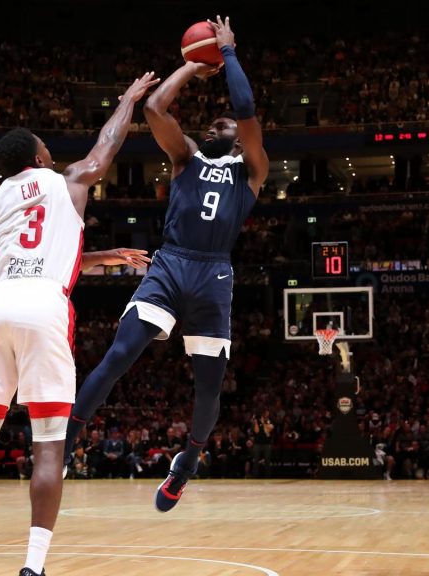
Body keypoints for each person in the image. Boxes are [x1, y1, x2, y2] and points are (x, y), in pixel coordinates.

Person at [0, 73, 159, 576]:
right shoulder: (68, 181)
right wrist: (126, 100)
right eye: (45, 147)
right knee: (48, 445)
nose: (51, 152)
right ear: (37, 158)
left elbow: (30, 251)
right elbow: (106, 147)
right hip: (43, 307)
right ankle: (32, 567)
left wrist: (102, 257)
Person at [64, 15, 268, 514]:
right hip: (172, 264)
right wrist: (192, 65)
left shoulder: (253, 170)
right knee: (119, 355)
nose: (214, 124)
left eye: (222, 125)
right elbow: (154, 107)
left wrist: (230, 53)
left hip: (214, 274)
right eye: (212, 124)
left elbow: (244, 107)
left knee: (209, 387)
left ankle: (187, 465)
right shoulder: (187, 158)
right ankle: (67, 439)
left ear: (237, 139)